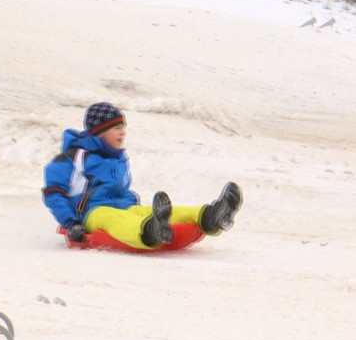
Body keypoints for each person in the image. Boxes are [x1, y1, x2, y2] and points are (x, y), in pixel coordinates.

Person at [42, 102, 243, 250]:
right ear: (99, 131)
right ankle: (150, 231)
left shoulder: (116, 157)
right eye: (117, 127)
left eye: (124, 127)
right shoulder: (72, 158)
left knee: (158, 212)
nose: (124, 132)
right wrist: (72, 223)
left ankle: (211, 216)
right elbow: (54, 194)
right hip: (92, 214)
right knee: (114, 219)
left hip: (127, 206)